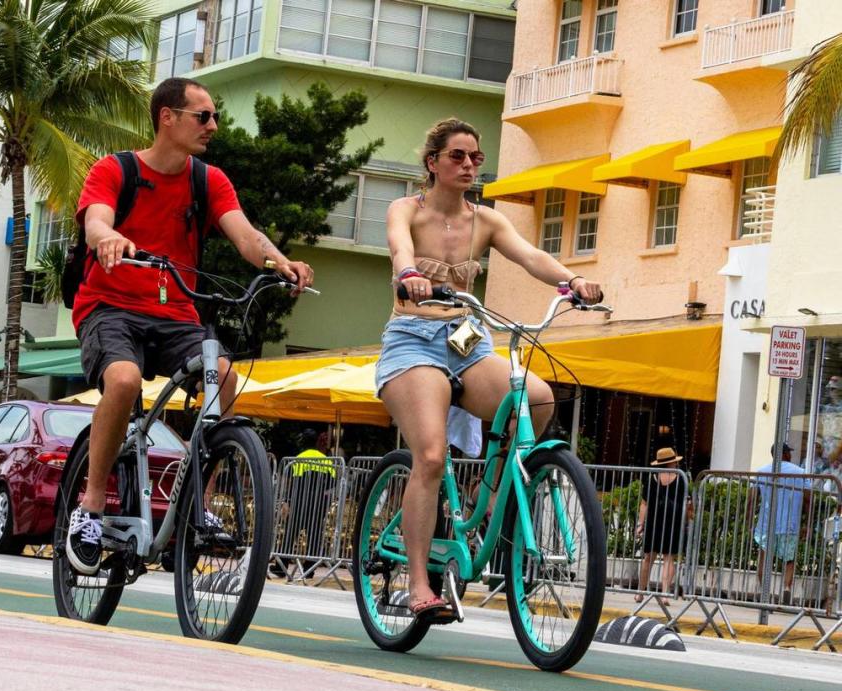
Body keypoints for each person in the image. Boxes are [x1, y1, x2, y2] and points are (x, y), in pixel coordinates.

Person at [66, 77, 314, 574]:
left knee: (222, 375)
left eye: (215, 116)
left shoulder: (209, 179)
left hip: (176, 313)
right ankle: (90, 508)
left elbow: (245, 234)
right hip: (109, 306)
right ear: (168, 117)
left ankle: (195, 498)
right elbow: (95, 220)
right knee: (124, 380)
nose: (214, 126)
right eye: (204, 116)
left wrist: (280, 262)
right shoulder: (116, 169)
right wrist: (109, 237)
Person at [375, 118, 603, 619]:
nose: (469, 166)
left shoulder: (487, 220)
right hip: (413, 342)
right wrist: (409, 274)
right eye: (458, 156)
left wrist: (573, 281)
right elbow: (399, 247)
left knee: (537, 399)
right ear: (433, 162)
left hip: (468, 341)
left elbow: (531, 255)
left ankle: (488, 493)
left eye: (476, 158)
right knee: (431, 458)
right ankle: (418, 585)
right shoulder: (405, 210)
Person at [746, 443, 811, 605]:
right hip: (790, 524)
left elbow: (752, 498)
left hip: (766, 524)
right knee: (789, 560)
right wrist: (808, 523)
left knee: (764, 557)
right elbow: (809, 500)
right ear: (786, 454)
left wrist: (748, 521)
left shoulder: (762, 472)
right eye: (789, 452)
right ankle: (786, 589)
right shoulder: (800, 472)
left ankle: (764, 591)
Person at [635, 447, 691, 606]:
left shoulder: (652, 478)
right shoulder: (681, 479)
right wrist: (687, 521)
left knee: (648, 557)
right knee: (668, 558)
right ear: (671, 462)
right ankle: (665, 594)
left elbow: (644, 504)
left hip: (654, 520)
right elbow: (687, 504)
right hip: (673, 522)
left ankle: (640, 592)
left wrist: (640, 523)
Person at [278, 429, 337, 576]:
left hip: (299, 503)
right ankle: (309, 569)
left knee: (289, 536)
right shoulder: (326, 460)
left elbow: (293, 482)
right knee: (315, 537)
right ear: (316, 441)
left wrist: (287, 501)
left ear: (303, 442)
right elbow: (332, 483)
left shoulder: (299, 458)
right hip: (317, 505)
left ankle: (281, 567)